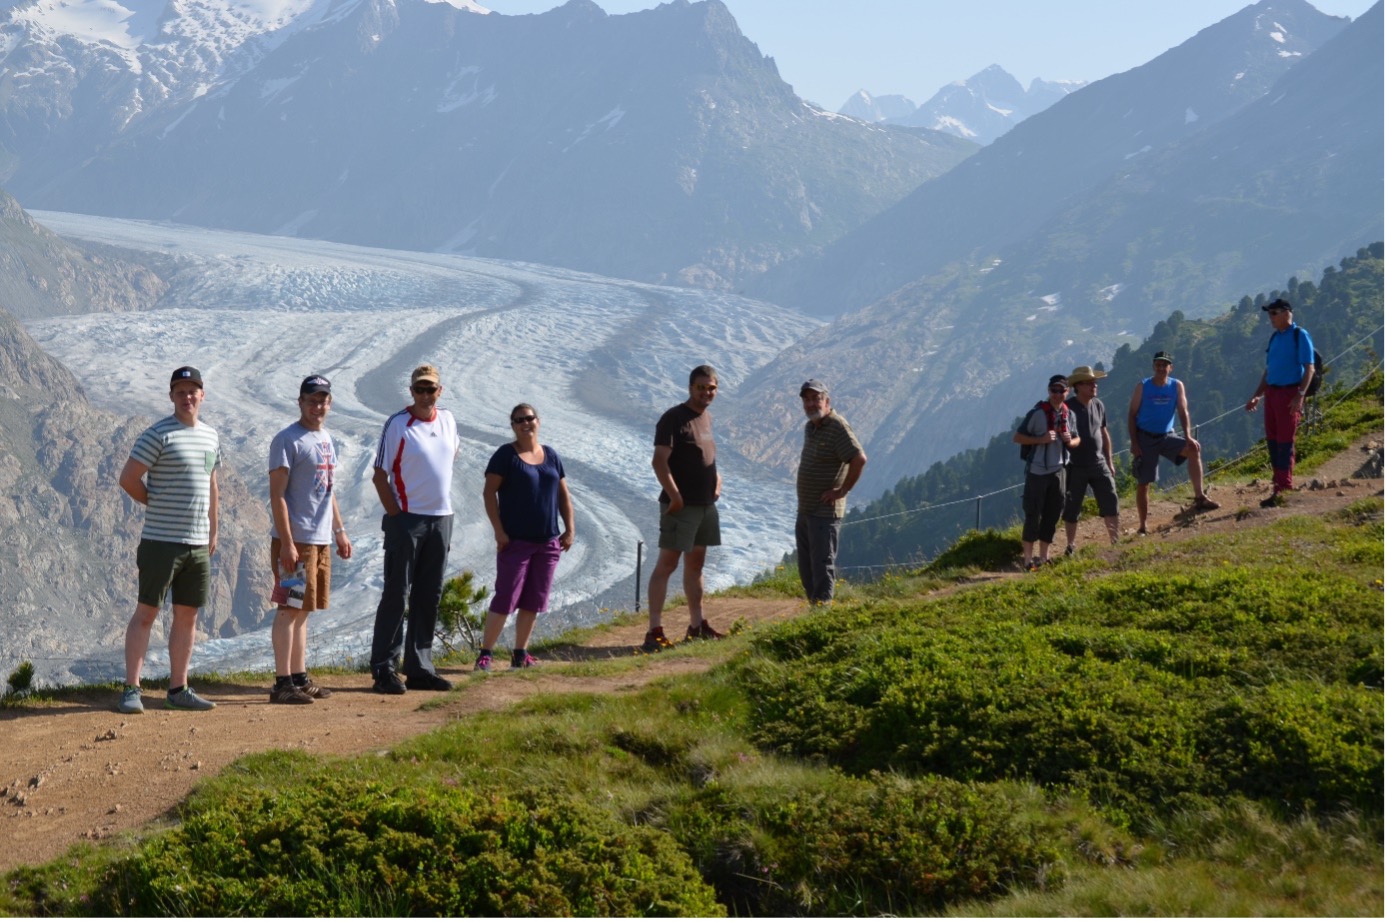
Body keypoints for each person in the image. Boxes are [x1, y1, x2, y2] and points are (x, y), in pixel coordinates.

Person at [116, 365, 221, 713]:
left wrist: (213, 529)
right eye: (180, 391)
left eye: (193, 391)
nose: (187, 397)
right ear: (171, 396)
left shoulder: (210, 436)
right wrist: (155, 501)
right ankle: (133, 688)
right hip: (161, 541)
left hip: (197, 544)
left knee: (187, 615)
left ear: (202, 395)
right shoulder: (157, 434)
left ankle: (178, 688)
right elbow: (129, 478)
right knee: (147, 612)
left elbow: (212, 484)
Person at [369, 364, 459, 694]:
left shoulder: (448, 420)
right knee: (397, 594)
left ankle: (420, 667)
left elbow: (452, 455)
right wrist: (397, 516)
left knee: (429, 594)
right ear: (411, 392)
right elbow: (380, 474)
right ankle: (384, 668)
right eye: (419, 389)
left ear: (440, 390)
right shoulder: (398, 425)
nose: (425, 395)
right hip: (408, 519)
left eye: (430, 389)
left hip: (441, 517)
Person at [266, 375, 353, 704]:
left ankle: (299, 676)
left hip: (319, 539)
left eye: (323, 400)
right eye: (311, 400)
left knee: (304, 610)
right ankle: (281, 683)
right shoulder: (287, 440)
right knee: (289, 607)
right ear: (300, 402)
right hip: (297, 540)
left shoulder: (326, 439)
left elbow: (327, 490)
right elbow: (277, 496)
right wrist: (287, 543)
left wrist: (339, 530)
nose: (318, 406)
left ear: (330, 403)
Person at [476, 403, 575, 672]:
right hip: (515, 541)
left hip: (547, 541)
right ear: (513, 425)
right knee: (506, 597)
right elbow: (488, 493)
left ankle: (520, 653)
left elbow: (563, 495)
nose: (525, 423)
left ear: (538, 421)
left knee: (534, 598)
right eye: (519, 420)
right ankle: (486, 654)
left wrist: (570, 528)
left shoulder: (551, 456)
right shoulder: (505, 456)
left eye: (529, 418)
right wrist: (498, 530)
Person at [643, 364, 725, 652]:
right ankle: (654, 631)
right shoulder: (673, 418)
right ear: (691, 387)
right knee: (667, 564)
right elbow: (659, 461)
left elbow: (707, 455)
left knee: (695, 564)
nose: (706, 393)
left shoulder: (706, 417)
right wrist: (675, 496)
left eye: (711, 388)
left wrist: (717, 480)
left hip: (704, 504)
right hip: (682, 506)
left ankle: (696, 625)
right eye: (701, 387)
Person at [1126, 350, 1220, 534]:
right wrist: (1134, 443)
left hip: (1166, 435)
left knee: (1193, 450)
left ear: (1171, 367)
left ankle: (1200, 497)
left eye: (1165, 365)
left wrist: (1188, 436)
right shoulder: (1143, 386)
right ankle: (1143, 525)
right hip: (1145, 437)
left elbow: (1183, 411)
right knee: (1144, 482)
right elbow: (1131, 414)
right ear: (1154, 366)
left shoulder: (1176, 386)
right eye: (1158, 364)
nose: (1161, 368)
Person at [794, 379, 867, 603]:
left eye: (816, 398)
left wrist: (842, 491)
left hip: (824, 513)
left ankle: (822, 615)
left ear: (827, 401)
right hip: (806, 511)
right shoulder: (811, 427)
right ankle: (814, 609)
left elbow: (859, 459)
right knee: (807, 568)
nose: (810, 404)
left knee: (822, 566)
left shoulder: (837, 426)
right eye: (806, 399)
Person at [1245, 298, 1316, 507]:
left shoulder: (1299, 335)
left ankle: (1283, 488)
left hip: (1289, 394)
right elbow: (1269, 371)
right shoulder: (1275, 338)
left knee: (1285, 442)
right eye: (1269, 314)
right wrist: (1257, 395)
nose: (1271, 318)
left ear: (1286, 313)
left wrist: (1300, 394)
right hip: (1272, 394)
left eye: (1273, 313)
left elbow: (1309, 367)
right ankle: (1279, 485)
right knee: (1273, 441)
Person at [1013, 374, 1080, 570]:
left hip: (1059, 470)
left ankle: (1043, 557)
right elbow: (1017, 437)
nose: (1058, 394)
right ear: (1049, 391)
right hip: (1037, 471)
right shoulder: (1037, 413)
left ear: (1067, 392)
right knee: (1033, 514)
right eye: (1054, 390)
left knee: (1052, 514)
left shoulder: (1069, 414)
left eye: (1062, 391)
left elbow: (1077, 440)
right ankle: (1027, 559)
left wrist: (1070, 441)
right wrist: (1040, 439)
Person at [1062, 365, 1120, 553]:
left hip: (1098, 463)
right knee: (1072, 507)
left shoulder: (1098, 404)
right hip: (1075, 466)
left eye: (1094, 383)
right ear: (1078, 386)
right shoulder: (1067, 408)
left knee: (1110, 499)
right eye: (1089, 383)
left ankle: (1115, 541)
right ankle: (1070, 545)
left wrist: (1109, 461)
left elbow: (1104, 433)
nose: (1094, 386)